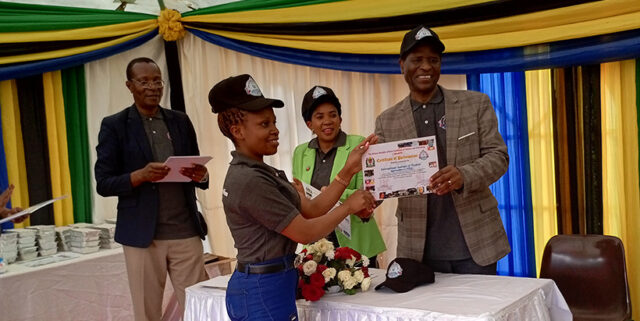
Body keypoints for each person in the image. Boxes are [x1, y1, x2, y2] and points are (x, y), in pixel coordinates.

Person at [209, 74, 377, 321]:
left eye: (274, 122)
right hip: (261, 288)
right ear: (238, 131)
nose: (275, 130)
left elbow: (311, 208)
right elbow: (306, 232)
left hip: (273, 282)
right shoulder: (249, 180)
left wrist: (349, 169)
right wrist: (348, 207)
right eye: (264, 124)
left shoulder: (261, 171)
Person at [374, 25, 510, 275]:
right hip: (418, 248)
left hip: (475, 243)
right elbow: (384, 176)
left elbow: (498, 157)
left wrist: (464, 175)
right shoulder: (387, 120)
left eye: (433, 60)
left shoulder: (476, 104)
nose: (426, 66)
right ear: (402, 65)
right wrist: (369, 192)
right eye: (417, 60)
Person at [94, 57, 209, 321]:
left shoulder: (180, 121)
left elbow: (195, 166)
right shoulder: (115, 125)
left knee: (199, 309)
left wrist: (201, 176)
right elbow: (103, 182)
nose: (152, 87)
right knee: (147, 313)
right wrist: (139, 176)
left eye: (157, 80)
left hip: (186, 231)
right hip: (142, 236)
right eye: (144, 81)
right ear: (129, 86)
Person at [292, 85, 386, 265]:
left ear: (340, 118)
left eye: (333, 115)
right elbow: (300, 195)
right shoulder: (300, 152)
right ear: (309, 124)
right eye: (319, 117)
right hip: (317, 245)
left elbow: (368, 194)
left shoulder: (357, 144)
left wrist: (329, 194)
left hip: (357, 245)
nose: (327, 121)